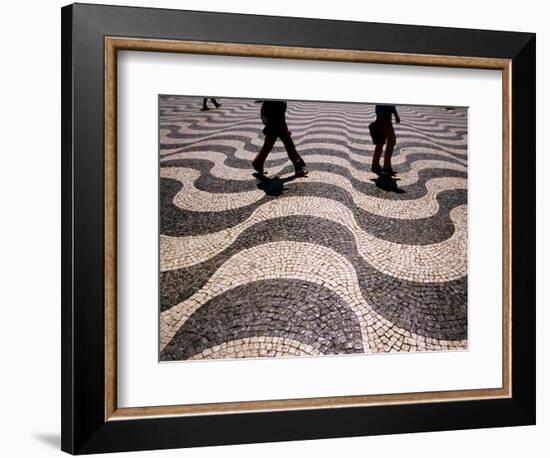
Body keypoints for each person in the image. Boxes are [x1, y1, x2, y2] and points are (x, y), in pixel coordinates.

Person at [252, 100, 307, 177]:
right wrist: (282, 129)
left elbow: (279, 115)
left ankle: (258, 163)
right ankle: (298, 167)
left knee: (269, 146)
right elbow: (268, 113)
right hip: (275, 125)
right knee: (289, 146)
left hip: (276, 124)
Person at [371, 104, 400, 175]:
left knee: (380, 142)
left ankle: (375, 165)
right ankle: (386, 166)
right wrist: (396, 114)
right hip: (384, 117)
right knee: (391, 141)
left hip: (382, 116)